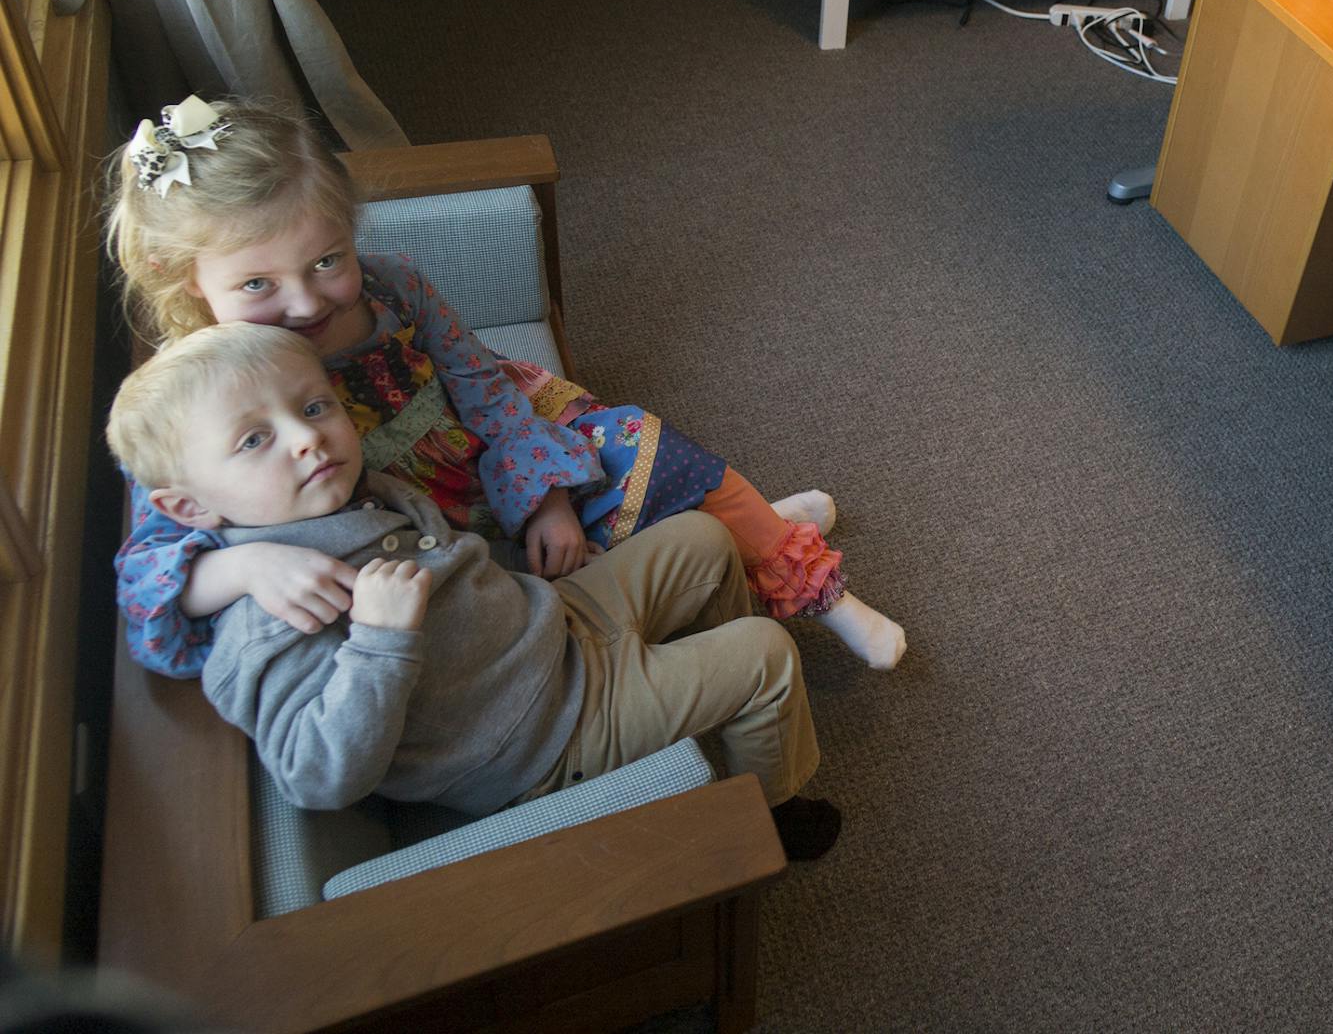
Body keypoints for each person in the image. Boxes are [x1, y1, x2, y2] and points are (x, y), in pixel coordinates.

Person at [105, 96, 907, 672]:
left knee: (660, 452)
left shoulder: (393, 285)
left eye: (327, 261)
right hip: (420, 522)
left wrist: (547, 496)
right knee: (601, 559)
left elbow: (481, 387)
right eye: (259, 286)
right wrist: (240, 570)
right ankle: (750, 535)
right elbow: (146, 577)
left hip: (497, 446)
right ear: (181, 276)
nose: (309, 301)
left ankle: (801, 573)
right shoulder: (191, 393)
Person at [104, 322, 841, 858]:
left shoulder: (352, 491)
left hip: (553, 631)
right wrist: (380, 642)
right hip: (541, 735)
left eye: (314, 406)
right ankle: (769, 812)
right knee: (765, 655)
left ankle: (704, 714)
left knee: (704, 541)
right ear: (189, 508)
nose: (305, 438)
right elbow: (318, 775)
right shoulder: (266, 622)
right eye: (253, 440)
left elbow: (459, 559)